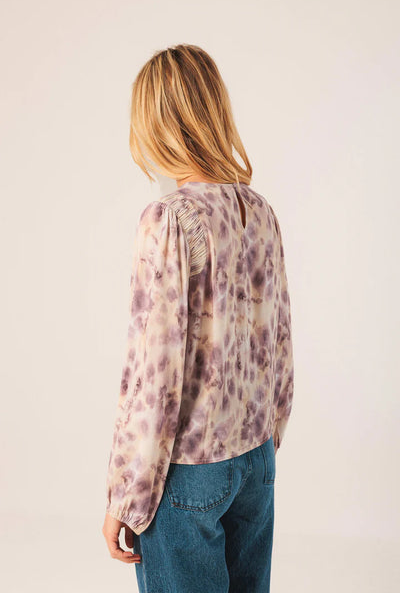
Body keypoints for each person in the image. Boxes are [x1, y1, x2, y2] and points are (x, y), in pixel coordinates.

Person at [102, 43, 294, 593]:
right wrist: (268, 439)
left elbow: (154, 377)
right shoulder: (259, 211)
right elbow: (280, 340)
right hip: (255, 458)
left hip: (187, 471)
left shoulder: (169, 219)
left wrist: (127, 495)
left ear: (158, 124)